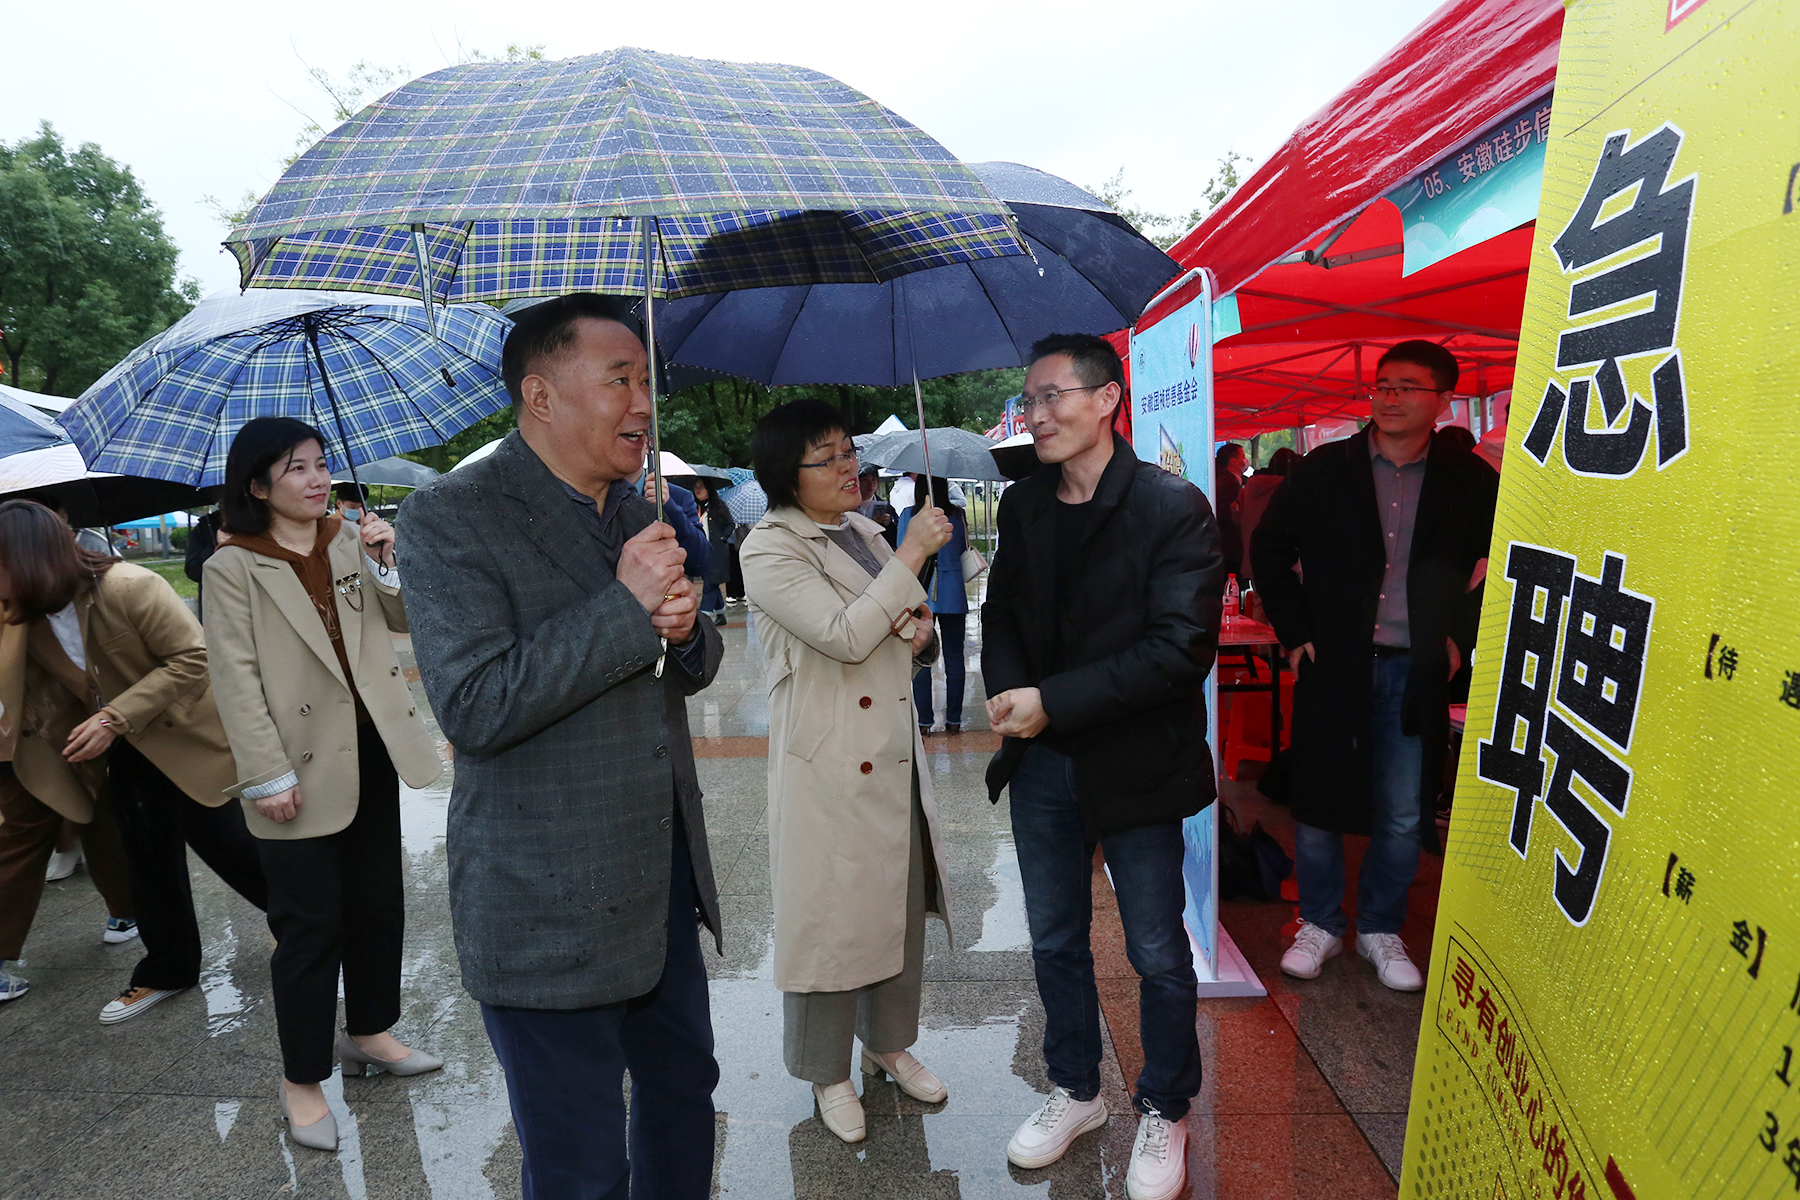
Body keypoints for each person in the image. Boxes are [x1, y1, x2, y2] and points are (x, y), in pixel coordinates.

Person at [400, 294, 725, 1198]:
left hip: (658, 885)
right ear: (540, 396)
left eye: (646, 380)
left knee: (682, 1100)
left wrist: (684, 628)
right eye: (619, 380)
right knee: (579, 1160)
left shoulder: (641, 511)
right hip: (545, 902)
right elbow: (474, 705)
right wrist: (627, 607)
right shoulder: (450, 517)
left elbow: (692, 666)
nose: (643, 403)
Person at [981, 333, 1223, 1200]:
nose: (1037, 415)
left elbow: (1179, 648)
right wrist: (1009, 690)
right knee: (1054, 937)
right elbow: (1002, 611)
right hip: (1042, 762)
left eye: (1054, 396)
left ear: (1109, 399)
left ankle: (1166, 1105)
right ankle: (1077, 1088)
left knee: (1157, 948)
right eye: (1030, 399)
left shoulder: (1171, 505)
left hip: (1138, 762)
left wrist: (1054, 699)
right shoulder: (1025, 504)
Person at [204, 418, 446, 1151]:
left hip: (370, 747)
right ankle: (302, 1081)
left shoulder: (348, 539)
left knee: (377, 902)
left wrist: (387, 560)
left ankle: (370, 1031)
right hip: (293, 763)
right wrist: (265, 774)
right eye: (297, 469)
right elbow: (234, 678)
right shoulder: (233, 566)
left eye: (320, 464)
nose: (317, 480)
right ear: (257, 486)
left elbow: (405, 619)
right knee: (309, 927)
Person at [740, 400, 957, 1145]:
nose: (847, 468)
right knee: (829, 918)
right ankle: (825, 1070)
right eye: (827, 457)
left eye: (847, 452)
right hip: (829, 760)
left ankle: (889, 1043)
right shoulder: (770, 548)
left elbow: (900, 629)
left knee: (895, 904)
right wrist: (913, 554)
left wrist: (923, 638)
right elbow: (841, 634)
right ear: (786, 473)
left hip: (891, 750)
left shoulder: (864, 532)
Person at [1251, 339, 1498, 992]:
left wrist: (1460, 637)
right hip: (1334, 661)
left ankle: (1382, 929)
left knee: (1403, 809)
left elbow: (1508, 561)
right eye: (1382, 385)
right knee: (1318, 802)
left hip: (1418, 665)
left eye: (1407, 386)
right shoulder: (1325, 469)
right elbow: (1269, 549)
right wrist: (1296, 631)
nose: (1389, 397)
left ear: (1443, 399)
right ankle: (1321, 923)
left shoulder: (1469, 480)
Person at [0, 500, 267, 1021]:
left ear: (28, 559)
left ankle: (316, 932)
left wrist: (114, 716)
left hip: (186, 738)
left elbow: (195, 657)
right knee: (148, 863)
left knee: (233, 848)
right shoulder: (22, 615)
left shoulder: (129, 585)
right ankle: (166, 971)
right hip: (122, 749)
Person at [898, 476, 970, 734]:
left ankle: (924, 722)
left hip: (921, 588)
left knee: (920, 654)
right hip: (953, 590)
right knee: (955, 657)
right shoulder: (957, 514)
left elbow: (901, 551)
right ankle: (954, 719)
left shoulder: (909, 515)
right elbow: (963, 548)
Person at [1236, 446, 1298, 586]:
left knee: (1258, 596)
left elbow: (1236, 516)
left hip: (1252, 556)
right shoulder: (1288, 489)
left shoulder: (1249, 488)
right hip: (1283, 559)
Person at [685, 475, 733, 626]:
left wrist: (722, 538)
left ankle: (704, 619)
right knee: (711, 583)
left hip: (716, 553)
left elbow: (730, 524)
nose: (698, 490)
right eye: (696, 487)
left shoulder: (718, 506)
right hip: (701, 550)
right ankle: (721, 614)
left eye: (701, 487)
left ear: (709, 489)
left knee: (710, 584)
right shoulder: (693, 507)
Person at [1214, 442, 1248, 580]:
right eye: (1242, 456)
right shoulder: (1229, 484)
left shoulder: (1230, 481)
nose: (1245, 460)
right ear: (1233, 461)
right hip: (1231, 548)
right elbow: (1227, 516)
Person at [184, 508, 222, 620]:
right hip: (214, 606)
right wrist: (215, 548)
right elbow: (193, 571)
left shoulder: (260, 526)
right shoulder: (206, 528)